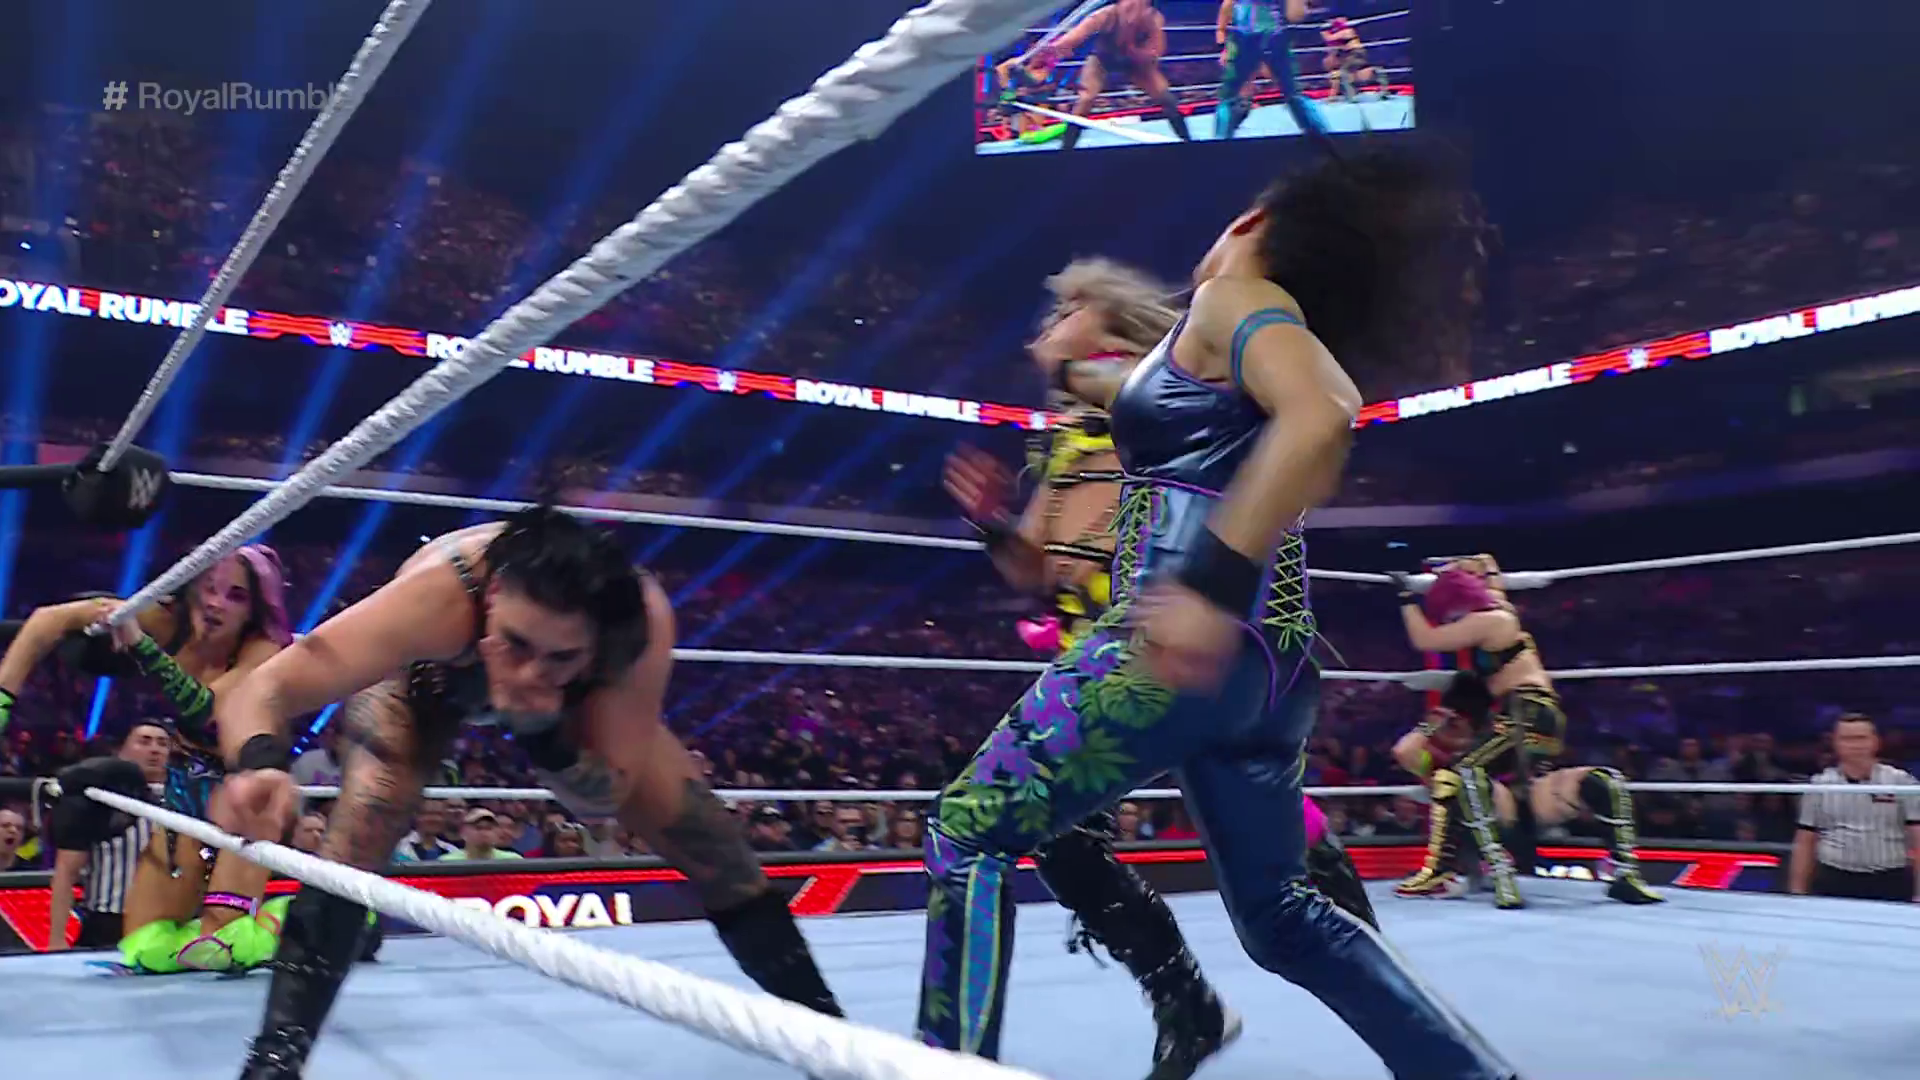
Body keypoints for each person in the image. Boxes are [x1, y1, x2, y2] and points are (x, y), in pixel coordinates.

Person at [919, 142, 1519, 1079]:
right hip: (1269, 671)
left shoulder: (1233, 297)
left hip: (1177, 641)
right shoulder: (1214, 340)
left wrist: (1207, 587)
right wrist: (1066, 379)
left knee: (968, 830)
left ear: (1254, 224)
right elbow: (1145, 393)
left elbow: (1324, 409)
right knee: (1282, 918)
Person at [207, 508, 845, 1078]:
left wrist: (542, 731)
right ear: (496, 597)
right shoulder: (442, 594)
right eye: (517, 643)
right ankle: (276, 1059)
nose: (531, 669)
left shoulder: (636, 625)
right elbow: (263, 688)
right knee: (368, 819)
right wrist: (260, 766)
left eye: (559, 657)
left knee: (712, 844)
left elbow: (600, 801)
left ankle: (831, 1040)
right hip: (429, 678)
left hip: (565, 705)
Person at [951, 255, 1379, 1079]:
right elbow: (1033, 566)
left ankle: (1363, 973)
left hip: (1179, 645)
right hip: (1109, 659)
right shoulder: (1068, 435)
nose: (1048, 328)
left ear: (1108, 323)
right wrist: (992, 522)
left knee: (1274, 858)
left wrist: (1072, 370)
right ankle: (1186, 1000)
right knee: (1065, 840)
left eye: (1067, 311)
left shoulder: (1155, 400)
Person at [9, 547, 295, 972]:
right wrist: (3, 697)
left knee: (228, 944)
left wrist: (142, 647)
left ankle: (302, 913)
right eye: (209, 588)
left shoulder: (265, 652)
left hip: (245, 800)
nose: (215, 603)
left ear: (255, 609)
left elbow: (208, 710)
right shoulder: (165, 618)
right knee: (143, 947)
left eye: (236, 596)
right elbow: (47, 621)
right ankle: (207, 934)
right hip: (184, 799)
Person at [1392, 557, 1663, 908]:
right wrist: (1463, 566)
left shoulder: (1493, 620)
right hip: (1533, 739)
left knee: (1462, 775)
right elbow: (1408, 751)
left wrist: (1405, 594)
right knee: (1602, 780)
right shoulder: (1498, 621)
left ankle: (1476, 873)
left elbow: (1425, 639)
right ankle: (1627, 875)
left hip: (1523, 718)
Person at [47, 722, 170, 950]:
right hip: (108, 921)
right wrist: (56, 938)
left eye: (162, 743)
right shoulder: (95, 799)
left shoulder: (185, 800)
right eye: (144, 741)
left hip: (166, 922)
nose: (155, 749)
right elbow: (66, 872)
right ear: (121, 750)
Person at [1790, 713, 1920, 902]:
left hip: (1890, 878)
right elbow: (1805, 840)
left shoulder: (1901, 782)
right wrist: (1797, 891)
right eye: (1847, 739)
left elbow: (1918, 838)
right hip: (1834, 878)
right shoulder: (1819, 785)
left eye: (1861, 738)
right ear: (1835, 743)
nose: (1855, 745)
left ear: (1875, 741)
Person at [1038, 0, 1192, 149]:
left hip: (1135, 62)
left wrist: (1136, 52)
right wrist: (1058, 46)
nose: (1133, 6)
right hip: (1102, 60)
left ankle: (1186, 142)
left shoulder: (1153, 18)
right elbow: (1079, 33)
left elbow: (1156, 51)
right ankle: (1066, 149)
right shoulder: (1107, 14)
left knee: (1165, 97)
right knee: (1086, 99)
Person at [1213, 0, 1315, 140]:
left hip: (1271, 41)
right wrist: (1224, 47)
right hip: (1247, 43)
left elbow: (1295, 15)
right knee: (1233, 97)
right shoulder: (1235, 5)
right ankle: (1222, 138)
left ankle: (1319, 136)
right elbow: (1222, 24)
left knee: (1293, 94)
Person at [1321, 16, 1392, 103]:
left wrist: (1323, 30)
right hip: (1354, 53)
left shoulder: (1347, 31)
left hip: (1355, 53)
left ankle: (1351, 96)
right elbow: (1341, 46)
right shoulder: (1344, 34)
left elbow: (1329, 38)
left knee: (1344, 72)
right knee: (1355, 74)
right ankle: (1377, 74)